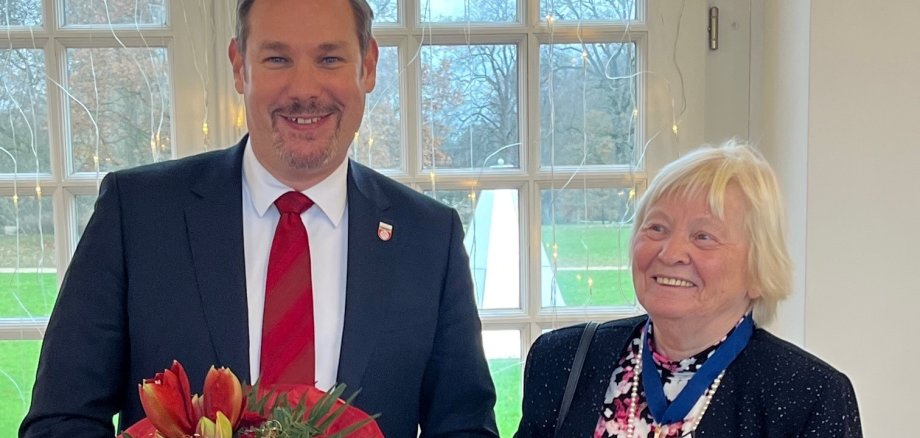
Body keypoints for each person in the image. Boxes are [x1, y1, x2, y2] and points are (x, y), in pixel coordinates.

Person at [20, 0, 498, 436]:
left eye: (329, 58)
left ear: (368, 65)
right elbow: (61, 420)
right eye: (277, 59)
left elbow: (464, 427)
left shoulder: (429, 237)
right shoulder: (137, 214)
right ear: (239, 66)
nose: (304, 89)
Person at [515, 141, 862, 437]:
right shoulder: (560, 360)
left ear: (758, 268)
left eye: (703, 236)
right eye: (657, 228)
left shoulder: (808, 395)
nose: (670, 252)